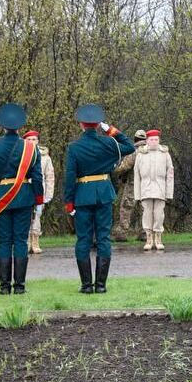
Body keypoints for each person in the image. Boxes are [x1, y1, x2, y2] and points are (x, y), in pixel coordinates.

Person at [64, 104, 137, 294]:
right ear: (98, 125)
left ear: (81, 124)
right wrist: (111, 130)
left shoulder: (74, 147)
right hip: (103, 194)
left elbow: (70, 176)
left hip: (82, 196)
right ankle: (101, 285)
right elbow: (129, 146)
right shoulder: (108, 142)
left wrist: (69, 201)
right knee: (103, 238)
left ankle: (87, 286)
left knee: (83, 240)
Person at [0, 104, 44, 295]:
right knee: (20, 240)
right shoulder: (31, 148)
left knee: (4, 242)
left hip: (0, 198)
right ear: (19, 127)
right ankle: (20, 286)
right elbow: (38, 177)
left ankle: (4, 287)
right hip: (24, 197)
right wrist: (39, 200)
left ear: (2, 126)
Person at [134, 129, 174, 251]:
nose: (154, 142)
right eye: (151, 140)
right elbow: (137, 175)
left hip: (160, 189)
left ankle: (158, 238)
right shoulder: (141, 154)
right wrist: (137, 194)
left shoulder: (165, 153)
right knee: (147, 214)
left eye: (156, 139)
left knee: (159, 214)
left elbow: (170, 174)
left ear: (159, 140)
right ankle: (149, 239)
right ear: (147, 140)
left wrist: (169, 193)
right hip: (145, 189)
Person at [112, 129, 146, 241]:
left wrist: (115, 171)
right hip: (147, 185)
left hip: (133, 184)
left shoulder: (134, 151)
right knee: (144, 208)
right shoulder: (149, 150)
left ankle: (122, 234)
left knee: (126, 208)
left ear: (135, 139)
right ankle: (144, 233)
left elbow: (125, 166)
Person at [24, 131, 55, 254]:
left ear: (38, 141)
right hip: (24, 190)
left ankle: (35, 242)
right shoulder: (21, 155)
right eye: (29, 139)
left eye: (34, 139)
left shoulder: (45, 158)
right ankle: (25, 242)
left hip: (39, 190)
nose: (32, 141)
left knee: (37, 215)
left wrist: (48, 195)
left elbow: (50, 176)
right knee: (25, 216)